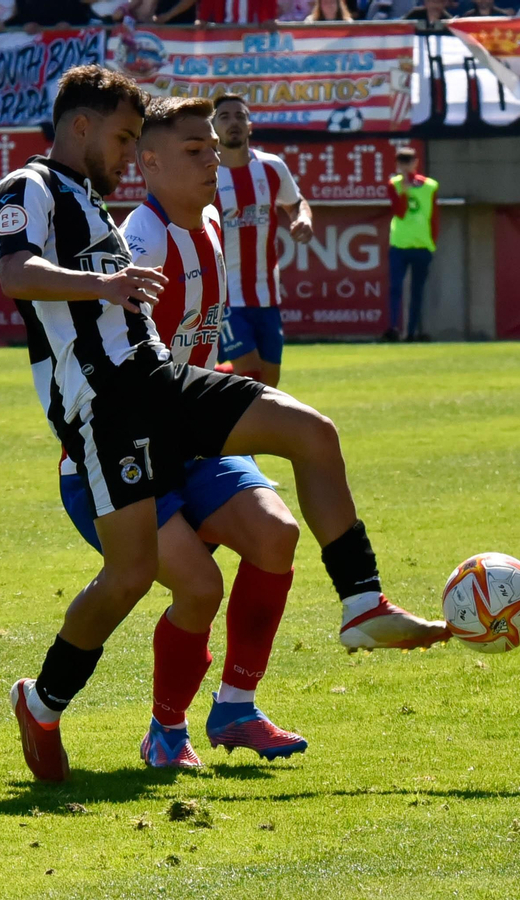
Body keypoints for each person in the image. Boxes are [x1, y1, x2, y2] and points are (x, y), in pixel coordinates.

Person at [0, 66, 446, 783]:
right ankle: (44, 703)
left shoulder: (103, 203)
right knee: (137, 576)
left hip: (160, 384)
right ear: (80, 126)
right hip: (105, 409)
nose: (125, 153)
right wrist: (103, 284)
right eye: (122, 138)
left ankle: (361, 602)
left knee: (311, 435)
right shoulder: (30, 188)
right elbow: (16, 274)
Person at [51, 96, 308, 769]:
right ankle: (166, 733)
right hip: (123, 450)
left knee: (276, 533)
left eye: (216, 147)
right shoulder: (141, 240)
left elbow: (190, 356)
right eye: (195, 150)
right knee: (197, 588)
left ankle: (236, 709)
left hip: (190, 438)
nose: (214, 160)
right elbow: (119, 363)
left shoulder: (214, 223)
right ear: (150, 162)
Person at [211, 93, 313, 388]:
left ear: (250, 126)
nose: (233, 122)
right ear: (213, 126)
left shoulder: (271, 167)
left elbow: (296, 203)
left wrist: (303, 218)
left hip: (266, 294)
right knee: (251, 376)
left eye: (240, 116)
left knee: (269, 384)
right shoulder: (206, 175)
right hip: (226, 296)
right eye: (225, 117)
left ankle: (204, 380)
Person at [384, 146, 439, 343]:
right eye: (401, 162)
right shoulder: (394, 184)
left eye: (409, 161)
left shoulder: (430, 186)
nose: (405, 166)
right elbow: (399, 212)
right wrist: (405, 191)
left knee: (417, 291)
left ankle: (412, 332)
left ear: (415, 163)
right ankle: (393, 328)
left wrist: (432, 243)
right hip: (399, 244)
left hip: (422, 245)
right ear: (397, 164)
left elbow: (434, 216)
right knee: (395, 288)